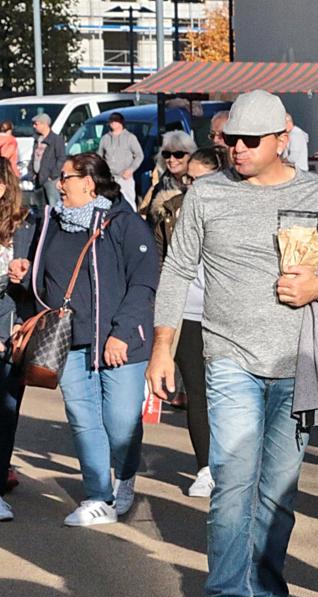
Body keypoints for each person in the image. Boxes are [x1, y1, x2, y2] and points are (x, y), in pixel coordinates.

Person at [146, 90, 318, 597]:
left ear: (282, 140)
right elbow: (177, 269)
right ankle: (226, 593)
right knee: (233, 485)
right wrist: (162, 346)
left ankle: (265, 589)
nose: (236, 149)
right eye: (228, 140)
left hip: (298, 364)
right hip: (229, 358)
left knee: (278, 494)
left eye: (249, 140)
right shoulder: (206, 193)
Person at [10, 153, 158, 527]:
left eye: (66, 178)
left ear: (88, 182)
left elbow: (143, 283)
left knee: (121, 420)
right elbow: (42, 278)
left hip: (121, 341)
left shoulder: (125, 224)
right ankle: (98, 496)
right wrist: (25, 274)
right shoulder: (50, 223)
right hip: (68, 341)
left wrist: (122, 332)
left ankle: (123, 478)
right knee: (83, 417)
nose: (59, 184)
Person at [157, 147, 228, 498]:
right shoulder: (171, 211)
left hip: (229, 314)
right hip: (189, 312)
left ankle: (235, 464)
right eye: (188, 179)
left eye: (199, 179)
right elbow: (163, 266)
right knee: (197, 393)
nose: (191, 185)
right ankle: (205, 467)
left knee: (230, 393)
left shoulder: (236, 207)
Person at [0, 160, 35, 521]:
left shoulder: (25, 226)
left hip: (12, 327)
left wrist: (21, 277)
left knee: (7, 410)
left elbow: (37, 281)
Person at [139, 131, 197, 261]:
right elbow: (150, 225)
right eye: (167, 154)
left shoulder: (199, 184)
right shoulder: (160, 186)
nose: (172, 160)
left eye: (178, 154)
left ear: (191, 155)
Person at [98, 112, 144, 210]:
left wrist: (131, 169)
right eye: (111, 121)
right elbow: (99, 156)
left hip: (125, 178)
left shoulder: (130, 137)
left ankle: (132, 223)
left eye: (115, 121)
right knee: (108, 204)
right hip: (109, 178)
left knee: (129, 203)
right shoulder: (105, 138)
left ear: (121, 123)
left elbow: (139, 155)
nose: (112, 123)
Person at [30, 113, 65, 208]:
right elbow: (33, 157)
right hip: (38, 178)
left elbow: (61, 158)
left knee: (54, 206)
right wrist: (32, 172)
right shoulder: (37, 139)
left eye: (36, 124)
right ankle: (42, 223)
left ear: (44, 124)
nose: (34, 126)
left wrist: (52, 175)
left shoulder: (56, 139)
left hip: (51, 180)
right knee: (40, 207)